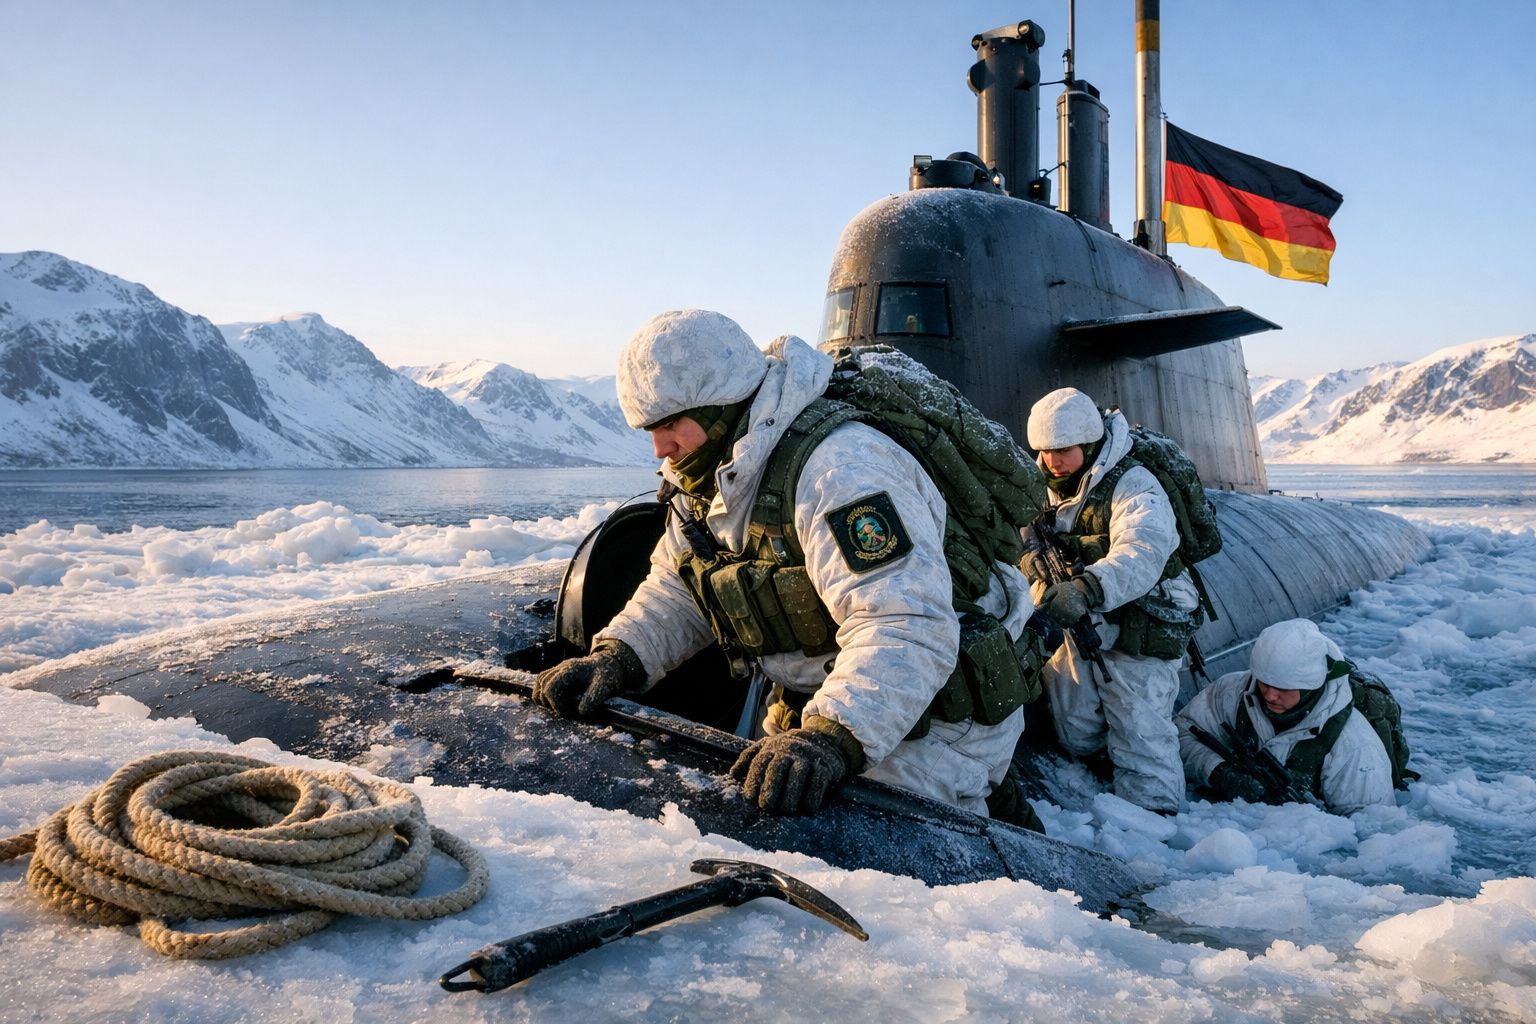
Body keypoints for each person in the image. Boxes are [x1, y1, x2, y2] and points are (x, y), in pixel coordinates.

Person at [531, 309, 1037, 821]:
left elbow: (905, 622)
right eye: (649, 430)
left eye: (669, 425)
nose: (660, 448)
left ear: (720, 406)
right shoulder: (707, 476)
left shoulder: (841, 471)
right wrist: (619, 656)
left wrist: (831, 736)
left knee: (868, 849)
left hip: (929, 708)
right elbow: (680, 586)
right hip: (827, 695)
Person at [1022, 388, 1199, 814]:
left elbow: (1144, 549)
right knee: (1075, 724)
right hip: (1075, 613)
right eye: (1045, 452)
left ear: (1088, 444)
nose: (1052, 461)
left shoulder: (1133, 484)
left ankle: (1154, 817)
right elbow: (1017, 538)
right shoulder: (1039, 487)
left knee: (1139, 723)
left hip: (1143, 611)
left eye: (1063, 451)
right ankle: (1104, 776)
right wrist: (1028, 561)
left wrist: (1088, 588)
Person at [1176, 618, 1395, 814]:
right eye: (1265, 683)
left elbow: (1371, 830)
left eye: (1283, 688)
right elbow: (1180, 733)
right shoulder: (1232, 692)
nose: (1270, 696)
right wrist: (1218, 772)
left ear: (1310, 686)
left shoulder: (1355, 746)